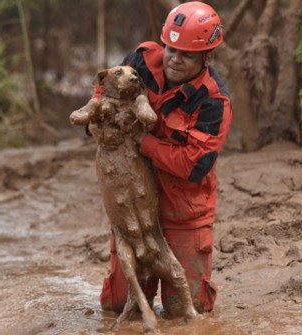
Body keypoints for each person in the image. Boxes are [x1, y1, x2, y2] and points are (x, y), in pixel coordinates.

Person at [98, 1, 232, 316]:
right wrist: (97, 117)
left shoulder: (213, 101)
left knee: (185, 310)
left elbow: (194, 164)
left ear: (207, 57)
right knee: (119, 306)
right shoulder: (140, 60)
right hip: (134, 203)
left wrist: (143, 141)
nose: (174, 59)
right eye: (171, 49)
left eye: (187, 54)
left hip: (184, 211)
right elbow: (106, 90)